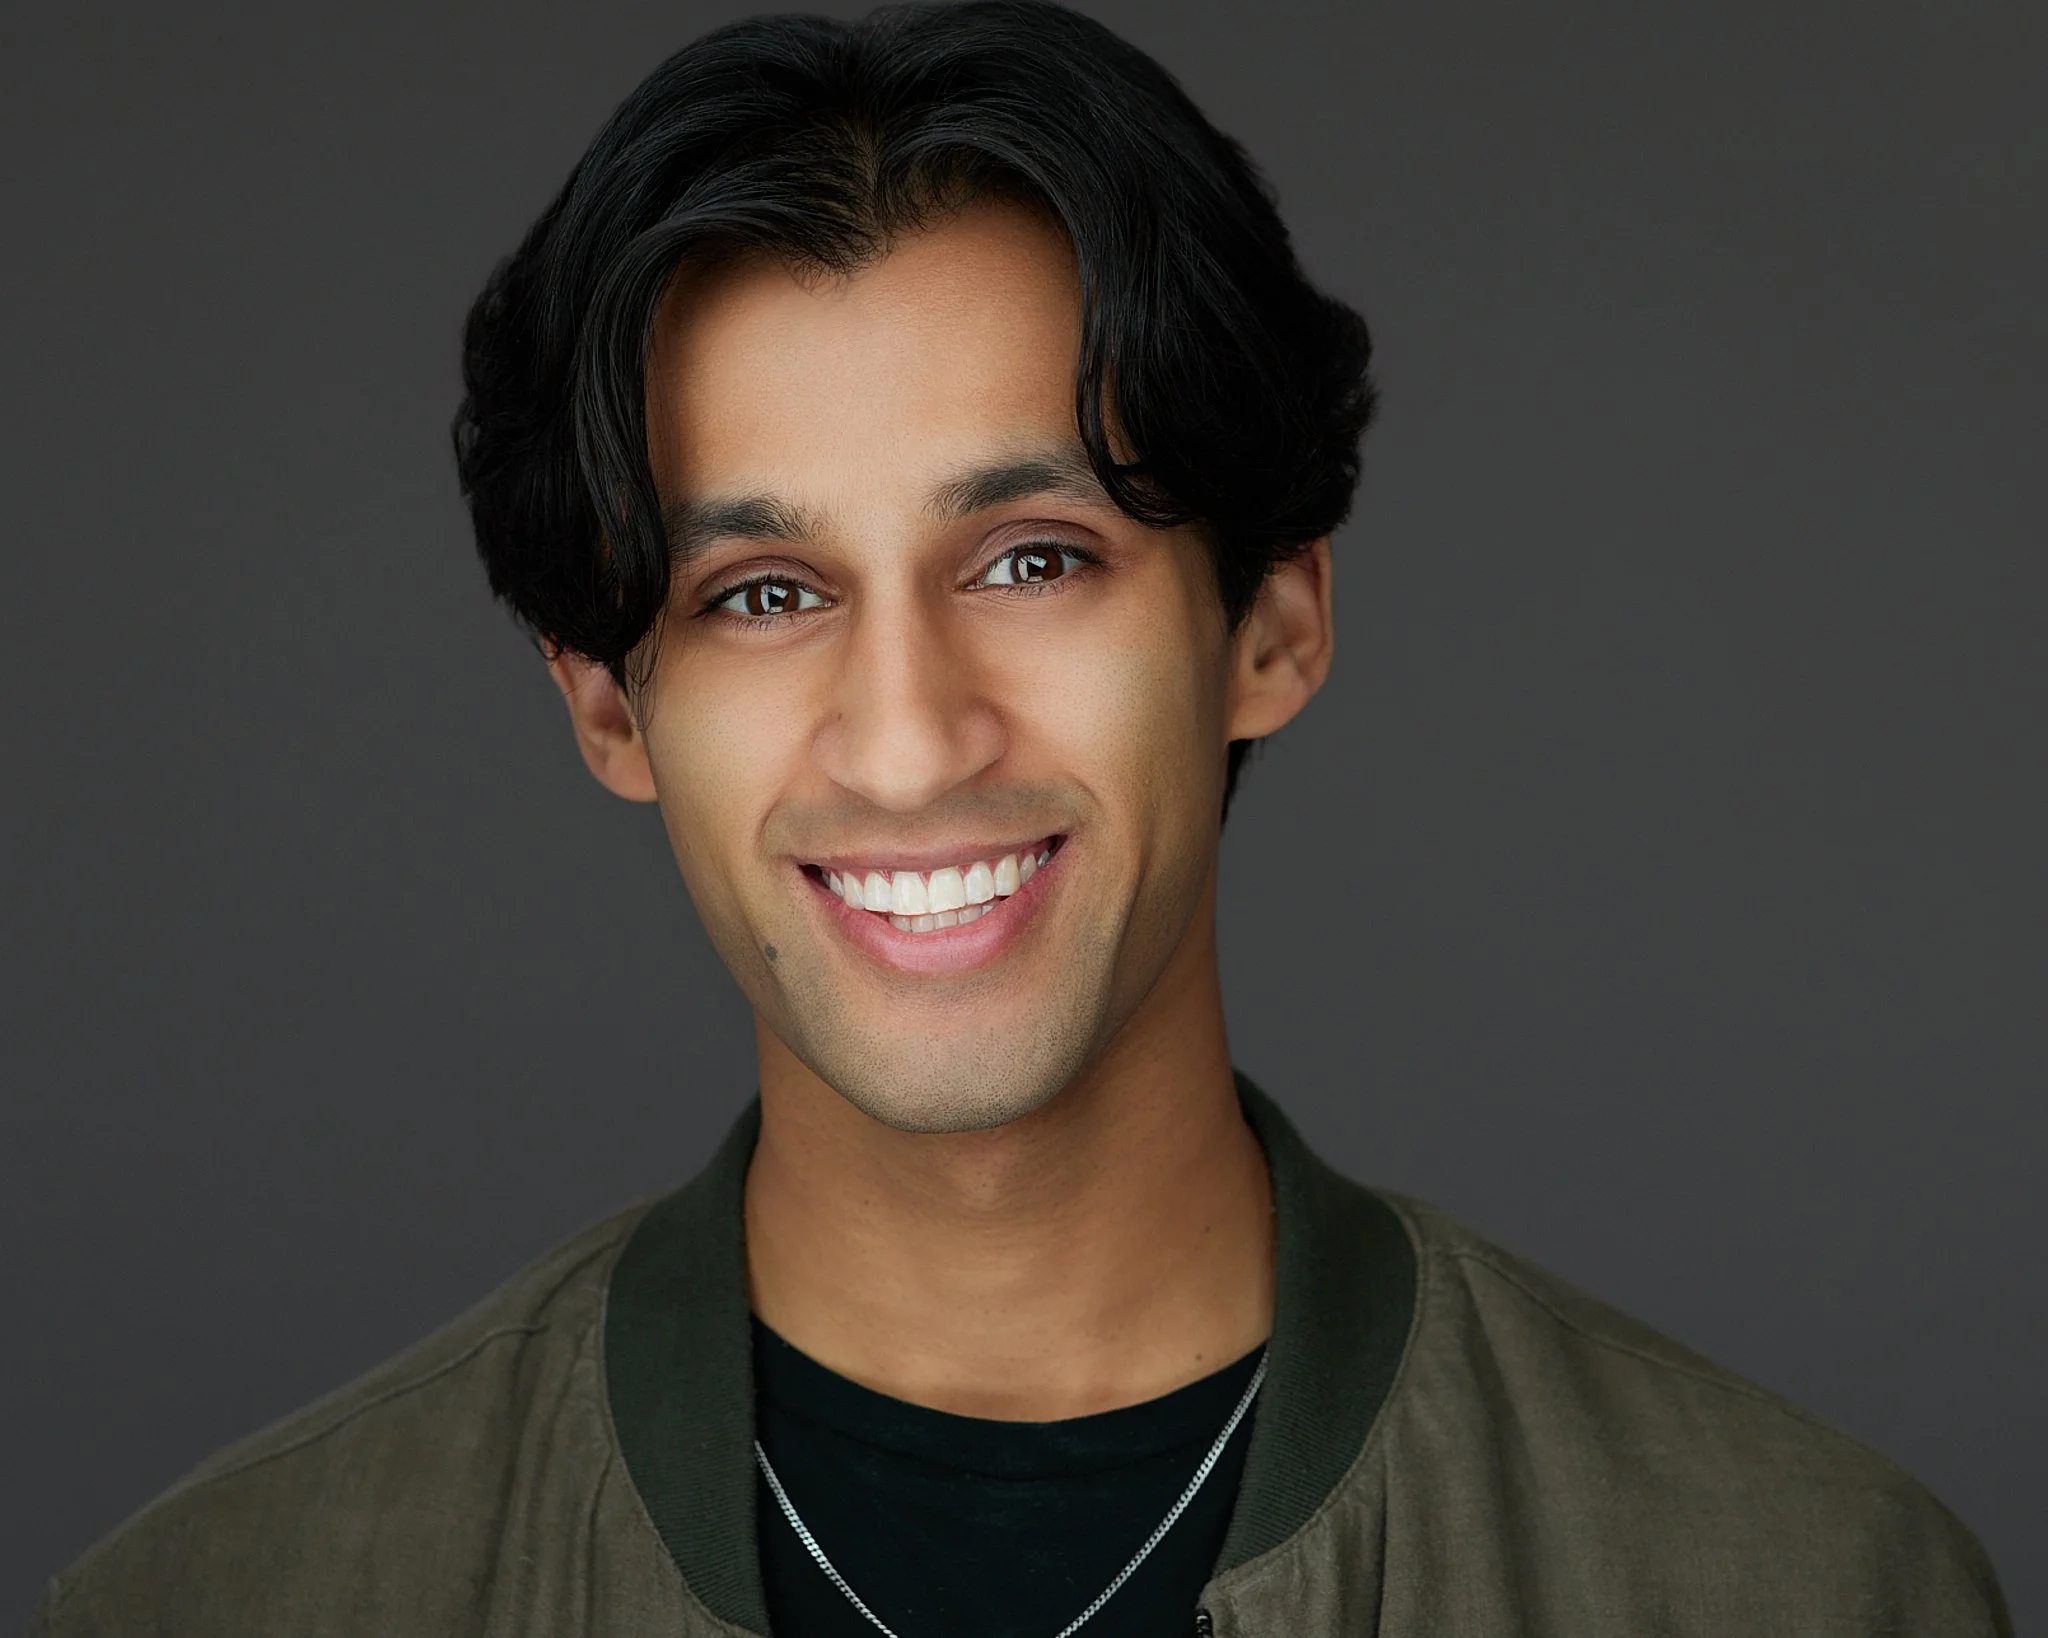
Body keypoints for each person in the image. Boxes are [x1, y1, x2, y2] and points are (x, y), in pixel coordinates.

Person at [36, 3, 2011, 1634]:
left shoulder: (1796, 1587)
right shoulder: (234, 1601)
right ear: (606, 706)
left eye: (1034, 559)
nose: (905, 741)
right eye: (764, 597)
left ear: (1273, 624)